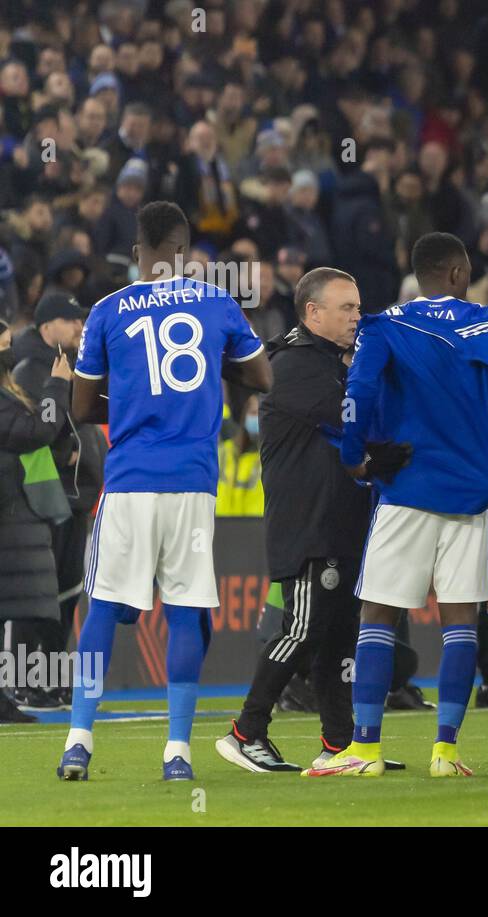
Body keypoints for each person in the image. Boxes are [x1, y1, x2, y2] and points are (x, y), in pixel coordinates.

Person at [305, 232, 488, 778]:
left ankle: (364, 749)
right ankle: (446, 751)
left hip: (406, 490)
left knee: (379, 615)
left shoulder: (386, 325)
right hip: (471, 495)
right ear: (459, 273)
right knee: (460, 618)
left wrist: (354, 455)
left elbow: (358, 392)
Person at [57, 201, 272, 782]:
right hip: (195, 481)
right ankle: (177, 752)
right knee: (184, 609)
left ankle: (78, 741)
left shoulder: (106, 311)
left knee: (102, 603)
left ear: (136, 253)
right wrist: (204, 377)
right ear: (185, 253)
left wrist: (132, 402)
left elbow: (80, 407)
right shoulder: (215, 303)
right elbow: (262, 378)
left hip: (130, 481)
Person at [216, 267, 410, 773]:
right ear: (312, 312)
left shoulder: (327, 361)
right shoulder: (295, 363)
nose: (356, 317)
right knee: (301, 628)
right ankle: (246, 731)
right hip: (311, 522)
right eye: (345, 308)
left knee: (336, 637)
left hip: (339, 520)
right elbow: (351, 418)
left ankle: (339, 745)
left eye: (358, 306)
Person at [10, 291, 106, 709]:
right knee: (35, 597)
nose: (79, 327)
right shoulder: (32, 366)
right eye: (71, 320)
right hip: (46, 497)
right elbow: (30, 427)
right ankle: (23, 680)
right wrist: (62, 451)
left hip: (75, 496)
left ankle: (48, 680)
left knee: (64, 594)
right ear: (48, 325)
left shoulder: (67, 366)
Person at [0, 319, 72, 723]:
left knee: (16, 609)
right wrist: (56, 385)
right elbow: (39, 430)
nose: (10, 351)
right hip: (8, 512)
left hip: (13, 511)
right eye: (4, 344)